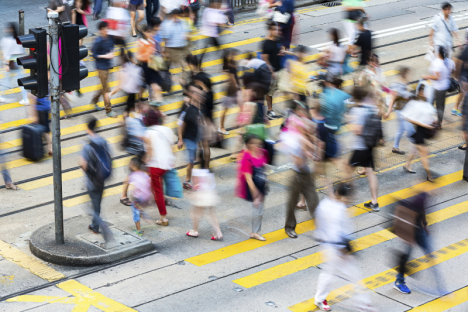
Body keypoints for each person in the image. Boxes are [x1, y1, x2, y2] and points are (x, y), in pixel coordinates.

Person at [313, 184, 375, 312]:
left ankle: (364, 304)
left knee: (352, 274)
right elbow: (334, 231)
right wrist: (344, 249)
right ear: (339, 195)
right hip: (333, 248)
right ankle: (320, 299)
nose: (349, 201)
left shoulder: (328, 205)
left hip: (337, 246)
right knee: (329, 275)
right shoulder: (334, 208)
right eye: (347, 198)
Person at [392, 192, 446, 295]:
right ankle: (399, 281)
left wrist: (425, 225)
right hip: (410, 230)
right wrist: (408, 237)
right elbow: (407, 214)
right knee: (407, 256)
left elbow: (422, 210)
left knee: (430, 255)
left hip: (418, 229)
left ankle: (440, 287)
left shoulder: (424, 195)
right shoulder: (419, 197)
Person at [284, 101, 319, 239]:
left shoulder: (304, 138)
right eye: (310, 129)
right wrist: (308, 149)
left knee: (314, 201)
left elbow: (312, 150)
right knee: (292, 203)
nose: (312, 132)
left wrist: (310, 144)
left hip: (306, 173)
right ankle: (289, 227)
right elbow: (298, 160)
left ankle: (321, 228)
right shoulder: (296, 139)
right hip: (297, 175)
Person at [79, 117, 114, 242]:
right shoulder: (103, 141)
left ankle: (100, 227)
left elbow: (83, 164)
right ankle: (94, 225)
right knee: (96, 203)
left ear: (88, 128)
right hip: (102, 178)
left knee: (91, 206)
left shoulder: (87, 145)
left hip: (92, 179)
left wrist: (90, 173)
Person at [347, 86, 379, 211]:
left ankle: (348, 197)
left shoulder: (356, 110)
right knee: (370, 173)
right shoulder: (370, 108)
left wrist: (349, 122)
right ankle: (374, 202)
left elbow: (358, 130)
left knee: (347, 170)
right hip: (370, 145)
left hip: (360, 147)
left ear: (354, 97)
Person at [143, 105, 176, 226]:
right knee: (157, 186)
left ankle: (163, 218)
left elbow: (149, 151)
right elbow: (172, 147)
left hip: (156, 166)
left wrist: (146, 161)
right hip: (168, 163)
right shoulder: (166, 129)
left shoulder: (147, 133)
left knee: (158, 192)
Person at [236, 134, 269, 241]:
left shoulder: (262, 152)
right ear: (248, 144)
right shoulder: (247, 157)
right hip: (254, 187)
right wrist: (255, 195)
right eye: (253, 143)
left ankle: (255, 231)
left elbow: (264, 167)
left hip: (261, 184)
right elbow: (248, 179)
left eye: (257, 142)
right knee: (257, 211)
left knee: (260, 211)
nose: (256, 145)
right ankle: (254, 232)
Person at [401, 85, 437, 181]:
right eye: (423, 91)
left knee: (415, 148)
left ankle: (407, 164)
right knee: (424, 153)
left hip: (423, 132)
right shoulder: (414, 103)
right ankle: (429, 176)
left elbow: (432, 116)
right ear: (419, 93)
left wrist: (434, 121)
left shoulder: (426, 103)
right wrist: (425, 125)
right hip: (419, 131)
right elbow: (408, 118)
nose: (425, 94)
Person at [177, 83, 203, 190]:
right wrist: (180, 139)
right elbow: (181, 125)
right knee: (191, 161)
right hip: (189, 138)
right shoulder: (189, 110)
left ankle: (188, 179)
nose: (199, 97)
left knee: (192, 160)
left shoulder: (198, 108)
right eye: (197, 95)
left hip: (195, 137)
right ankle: (187, 181)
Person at [384, 66, 414, 155]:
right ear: (404, 74)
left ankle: (395, 147)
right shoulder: (398, 83)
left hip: (404, 109)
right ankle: (419, 147)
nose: (410, 76)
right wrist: (389, 111)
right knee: (410, 130)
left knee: (401, 129)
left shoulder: (402, 82)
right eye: (408, 74)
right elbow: (393, 97)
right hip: (400, 110)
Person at [422, 46, 454, 129]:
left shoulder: (437, 63)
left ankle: (433, 121)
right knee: (441, 105)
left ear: (438, 53)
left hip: (437, 87)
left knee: (431, 103)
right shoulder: (450, 62)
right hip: (445, 86)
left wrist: (427, 76)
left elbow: (437, 77)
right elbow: (452, 71)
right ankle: (439, 123)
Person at [186, 169, 223, 240]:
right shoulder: (209, 170)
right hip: (211, 194)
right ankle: (219, 232)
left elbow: (196, 185)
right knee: (212, 214)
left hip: (202, 195)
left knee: (196, 213)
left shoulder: (196, 171)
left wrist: (191, 192)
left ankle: (195, 231)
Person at [91, 21, 117, 118]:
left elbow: (112, 46)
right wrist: (105, 56)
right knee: (106, 89)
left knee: (102, 86)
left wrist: (112, 52)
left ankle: (94, 101)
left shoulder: (110, 38)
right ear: (100, 31)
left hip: (108, 66)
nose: (106, 31)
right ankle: (108, 110)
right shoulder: (98, 41)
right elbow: (93, 54)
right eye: (103, 29)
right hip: (101, 67)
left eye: (107, 28)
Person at [0, 22, 29, 105]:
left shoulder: (6, 40)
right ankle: (25, 98)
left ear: (11, 29)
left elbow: (8, 54)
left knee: (7, 80)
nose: (5, 29)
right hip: (18, 62)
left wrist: (6, 64)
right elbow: (21, 51)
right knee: (19, 81)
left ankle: (24, 98)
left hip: (11, 63)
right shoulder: (18, 39)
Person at [262, 21, 285, 120]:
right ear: (270, 30)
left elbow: (281, 47)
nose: (277, 31)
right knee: (270, 92)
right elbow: (265, 59)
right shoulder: (266, 43)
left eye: (277, 29)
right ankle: (270, 110)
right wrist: (271, 71)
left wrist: (282, 50)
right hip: (273, 72)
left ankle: (286, 108)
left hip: (280, 69)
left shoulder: (278, 39)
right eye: (274, 29)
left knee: (285, 88)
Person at [137, 25, 164, 105]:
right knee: (152, 82)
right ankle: (157, 100)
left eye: (151, 32)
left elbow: (155, 51)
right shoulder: (140, 42)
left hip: (152, 64)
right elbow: (138, 56)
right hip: (146, 65)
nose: (151, 34)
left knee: (147, 83)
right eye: (149, 32)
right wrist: (147, 54)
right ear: (144, 32)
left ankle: (142, 97)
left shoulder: (151, 40)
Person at [127, 157, 153, 235]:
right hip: (144, 197)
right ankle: (144, 216)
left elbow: (134, 187)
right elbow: (149, 185)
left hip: (136, 198)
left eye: (130, 164)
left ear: (134, 167)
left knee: (135, 214)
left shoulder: (132, 176)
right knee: (140, 209)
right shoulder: (144, 174)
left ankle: (139, 231)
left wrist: (131, 196)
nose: (129, 165)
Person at [218, 49, 240, 135]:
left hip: (233, 90)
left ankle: (238, 123)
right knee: (225, 109)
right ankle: (221, 127)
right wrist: (237, 87)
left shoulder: (231, 63)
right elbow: (232, 77)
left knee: (243, 107)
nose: (235, 56)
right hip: (231, 91)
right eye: (233, 55)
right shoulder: (229, 65)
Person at [28, 92, 53, 157]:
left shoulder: (35, 86)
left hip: (40, 109)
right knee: (45, 129)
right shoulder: (46, 82)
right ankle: (48, 148)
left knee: (45, 131)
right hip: (46, 107)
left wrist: (34, 115)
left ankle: (50, 148)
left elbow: (34, 100)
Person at [453, 30, 468, 116]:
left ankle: (455, 108)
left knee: (462, 92)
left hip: (464, 77)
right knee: (464, 93)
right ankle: (458, 108)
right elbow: (457, 60)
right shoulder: (466, 50)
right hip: (464, 77)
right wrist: (456, 77)